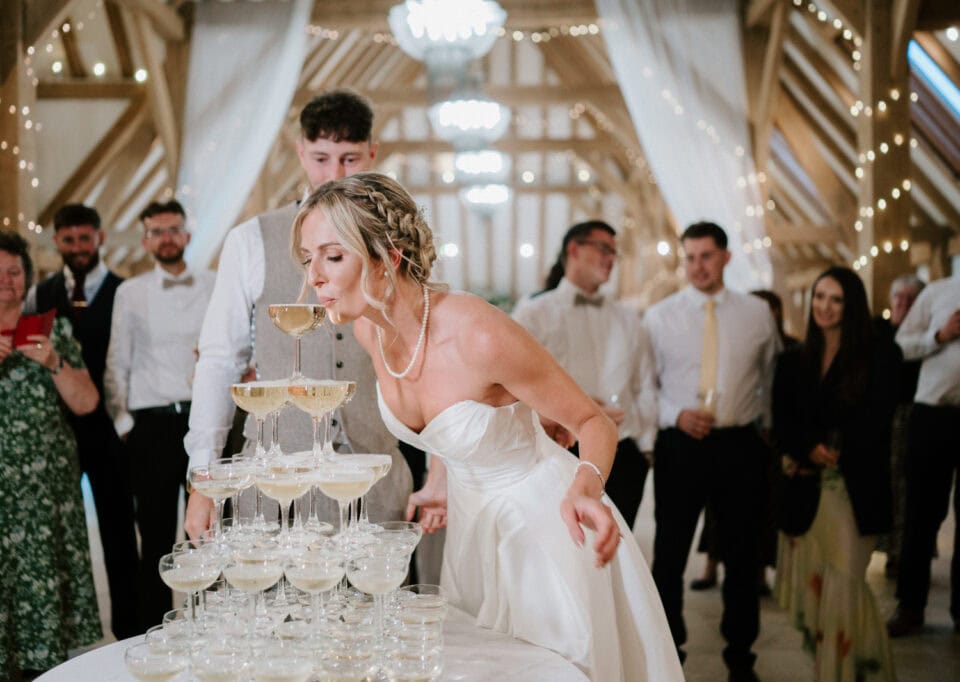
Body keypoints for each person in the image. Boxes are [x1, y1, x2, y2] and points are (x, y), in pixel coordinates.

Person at [291, 172, 683, 681]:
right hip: (472, 535)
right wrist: (441, 476)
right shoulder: (370, 328)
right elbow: (446, 423)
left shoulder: (478, 333)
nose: (313, 278)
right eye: (308, 259)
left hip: (543, 527)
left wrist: (586, 487)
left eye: (332, 256)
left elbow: (590, 420)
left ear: (386, 256)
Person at [184, 90, 412, 540]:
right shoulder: (252, 239)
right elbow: (219, 360)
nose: (334, 175)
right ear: (301, 152)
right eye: (321, 158)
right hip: (273, 483)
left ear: (372, 153)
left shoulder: (400, 242)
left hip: (375, 482)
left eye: (349, 159)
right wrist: (204, 479)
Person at [0, 230, 102, 680]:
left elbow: (86, 403)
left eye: (14, 272)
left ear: (27, 277)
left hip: (41, 496)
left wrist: (52, 362)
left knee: (38, 598)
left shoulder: (55, 329)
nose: (6, 281)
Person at [642, 222, 780, 681]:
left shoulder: (757, 314)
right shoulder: (660, 316)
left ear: (725, 258)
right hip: (681, 444)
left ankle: (741, 656)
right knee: (670, 551)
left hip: (739, 445)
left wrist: (759, 427)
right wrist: (675, 415)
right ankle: (670, 651)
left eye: (706, 256)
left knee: (742, 555)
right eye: (690, 257)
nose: (697, 266)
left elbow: (770, 377)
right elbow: (646, 385)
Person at [773, 266, 899, 680]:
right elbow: (782, 423)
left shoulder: (878, 353)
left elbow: (881, 418)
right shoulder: (793, 359)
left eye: (836, 299)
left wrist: (841, 449)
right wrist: (807, 447)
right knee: (823, 591)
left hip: (856, 489)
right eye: (819, 297)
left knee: (846, 582)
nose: (825, 307)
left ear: (852, 305)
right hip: (808, 490)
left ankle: (846, 673)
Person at [28, 203, 140, 638]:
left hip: (109, 429)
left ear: (100, 238)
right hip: (58, 429)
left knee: (118, 533)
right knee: (55, 530)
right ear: (57, 241)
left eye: (84, 238)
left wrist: (126, 421)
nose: (77, 247)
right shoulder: (41, 294)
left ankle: (129, 631)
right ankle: (61, 630)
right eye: (69, 239)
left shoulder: (123, 291)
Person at [104, 200, 216, 630]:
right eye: (158, 231)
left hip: (203, 421)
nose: (167, 238)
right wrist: (124, 423)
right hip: (150, 425)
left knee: (208, 532)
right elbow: (118, 361)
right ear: (146, 240)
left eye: (174, 229)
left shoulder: (214, 283)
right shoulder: (129, 292)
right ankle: (154, 629)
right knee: (153, 535)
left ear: (187, 235)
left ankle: (211, 625)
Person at [512, 220, 656, 527]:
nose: (611, 259)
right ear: (574, 250)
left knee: (618, 545)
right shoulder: (533, 313)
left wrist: (646, 448)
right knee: (566, 546)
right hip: (561, 451)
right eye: (604, 248)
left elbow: (644, 383)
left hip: (624, 452)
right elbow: (515, 385)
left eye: (614, 253)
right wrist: (574, 406)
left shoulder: (628, 318)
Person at [692, 289, 798, 593]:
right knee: (717, 510)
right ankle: (712, 563)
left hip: (766, 438)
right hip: (739, 433)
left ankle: (759, 572)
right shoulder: (727, 340)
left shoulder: (789, 348)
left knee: (758, 510)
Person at [887, 270, 960, 637]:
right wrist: (940, 336)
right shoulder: (937, 292)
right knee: (921, 512)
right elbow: (901, 344)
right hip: (932, 413)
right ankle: (910, 606)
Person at [873, 274, 925, 577]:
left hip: (914, 417)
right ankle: (890, 549)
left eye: (910, 299)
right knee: (888, 486)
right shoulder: (880, 333)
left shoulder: (930, 336)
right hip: (885, 419)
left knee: (910, 487)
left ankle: (906, 553)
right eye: (898, 298)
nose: (903, 304)